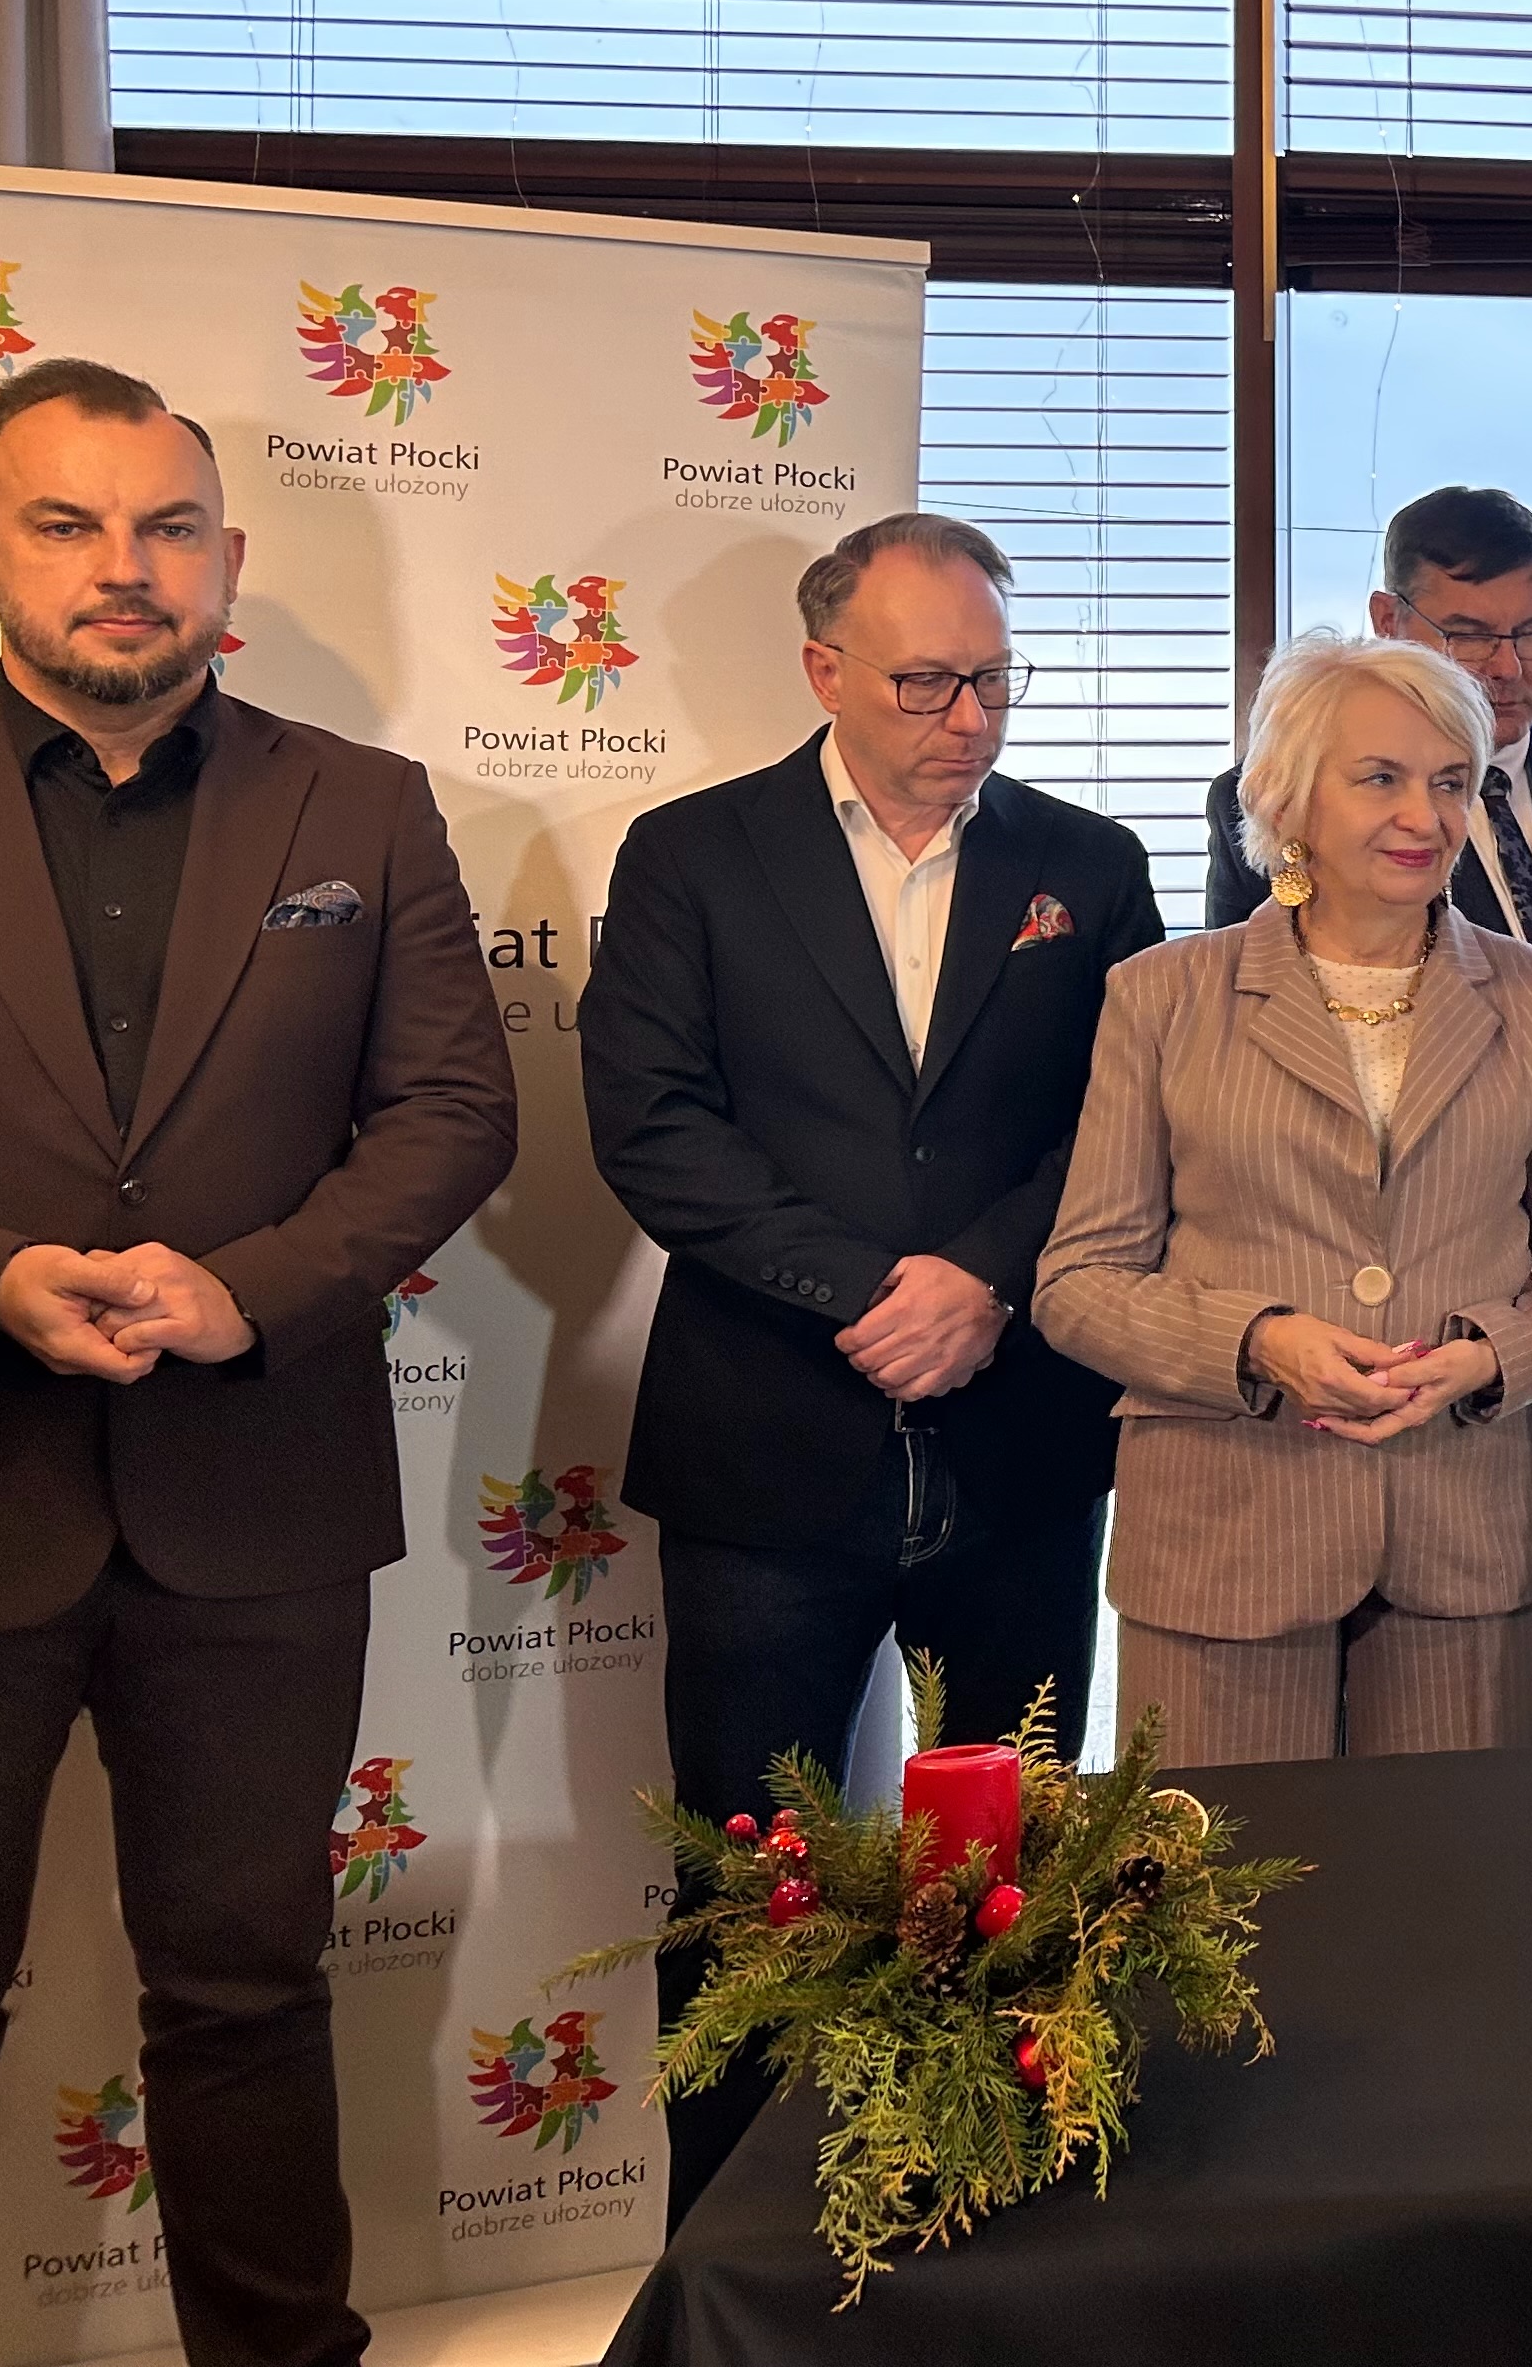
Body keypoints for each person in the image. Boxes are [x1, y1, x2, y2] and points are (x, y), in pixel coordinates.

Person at [0, 358, 515, 2367]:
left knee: (244, 1996)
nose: (124, 565)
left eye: (167, 525)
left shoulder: (356, 804)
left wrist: (249, 1288)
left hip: (257, 1492)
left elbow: (453, 1110)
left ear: (226, 556)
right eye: (68, 522)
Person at [577, 510, 1164, 2222]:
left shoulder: (1089, 861)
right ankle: (731, 2259)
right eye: (926, 682)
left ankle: (998, 2229)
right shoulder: (691, 854)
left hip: (1019, 1442)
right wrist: (865, 1292)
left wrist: (984, 1278)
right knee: (748, 1890)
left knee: (1017, 1882)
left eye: (994, 680)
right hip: (769, 1442)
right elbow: (652, 1124)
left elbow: (1124, 1119)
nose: (968, 717)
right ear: (823, 668)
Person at [1039, 632, 1532, 1762]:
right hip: (1225, 1534)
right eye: (1380, 778)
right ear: (1287, 800)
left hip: (1472, 1530)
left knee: (1464, 1873)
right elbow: (1079, 1284)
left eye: (1451, 782)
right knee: (1228, 1879)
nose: (1424, 815)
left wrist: (1490, 1357)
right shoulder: (1161, 998)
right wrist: (1257, 1341)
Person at [1203, 488, 1532, 1742]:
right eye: (1470, 633)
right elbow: (1276, 1059)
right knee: (1410, 1704)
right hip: (1399, 1329)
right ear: (1391, 620)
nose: (1507, 667)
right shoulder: (1280, 804)